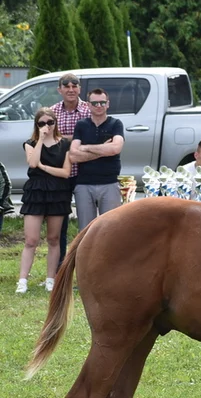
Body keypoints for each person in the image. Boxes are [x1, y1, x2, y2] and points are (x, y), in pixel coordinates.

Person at [15, 107, 72, 294]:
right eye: (42, 123)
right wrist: (40, 139)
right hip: (36, 191)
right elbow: (32, 164)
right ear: (36, 125)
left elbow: (65, 172)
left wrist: (44, 167)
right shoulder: (30, 143)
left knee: (53, 238)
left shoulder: (64, 144)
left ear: (55, 123)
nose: (46, 126)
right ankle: (22, 280)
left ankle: (51, 279)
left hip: (57, 192)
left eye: (50, 122)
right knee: (31, 240)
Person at [70, 88, 124, 230]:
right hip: (84, 184)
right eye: (95, 103)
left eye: (102, 103)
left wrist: (86, 147)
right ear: (88, 105)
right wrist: (102, 150)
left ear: (108, 104)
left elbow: (115, 149)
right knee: (85, 230)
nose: (99, 106)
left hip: (110, 183)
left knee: (111, 229)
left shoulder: (116, 124)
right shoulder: (81, 125)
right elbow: (73, 155)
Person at [51, 73, 90, 263]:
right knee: (60, 225)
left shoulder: (89, 110)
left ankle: (87, 265)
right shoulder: (51, 112)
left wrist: (64, 138)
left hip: (86, 174)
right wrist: (76, 140)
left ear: (80, 89)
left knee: (88, 224)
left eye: (75, 85)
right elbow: (48, 140)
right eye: (66, 86)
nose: (71, 89)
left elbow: (95, 140)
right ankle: (60, 268)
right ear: (60, 90)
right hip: (61, 175)